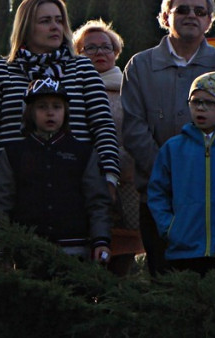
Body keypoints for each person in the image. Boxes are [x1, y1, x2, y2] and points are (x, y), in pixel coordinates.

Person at [0, 0, 119, 200]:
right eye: (45, 21)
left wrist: (109, 177)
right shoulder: (0, 71)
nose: (55, 27)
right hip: (16, 190)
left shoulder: (83, 69)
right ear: (26, 27)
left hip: (76, 187)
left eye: (59, 21)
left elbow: (103, 125)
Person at [122, 0, 215, 275]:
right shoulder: (140, 66)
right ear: (165, 17)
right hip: (159, 203)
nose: (192, 16)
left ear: (209, 20)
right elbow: (134, 129)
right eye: (182, 10)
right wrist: (169, 174)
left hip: (212, 203)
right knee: (166, 289)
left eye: (200, 11)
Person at [0, 78, 111, 262]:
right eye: (42, 107)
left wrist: (101, 240)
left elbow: (97, 202)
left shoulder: (83, 153)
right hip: (26, 251)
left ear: (66, 112)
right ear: (29, 113)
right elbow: (1, 204)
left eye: (57, 106)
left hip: (75, 250)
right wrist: (0, 249)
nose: (50, 113)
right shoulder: (13, 153)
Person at [73, 19, 142, 274]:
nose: (100, 53)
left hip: (124, 191)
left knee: (120, 271)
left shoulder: (131, 91)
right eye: (90, 48)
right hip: (78, 191)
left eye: (106, 47)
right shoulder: (68, 90)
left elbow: (139, 138)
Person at [147, 72, 215, 276]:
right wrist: (170, 228)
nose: (201, 108)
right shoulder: (173, 148)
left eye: (210, 103)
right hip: (184, 249)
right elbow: (158, 193)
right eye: (195, 102)